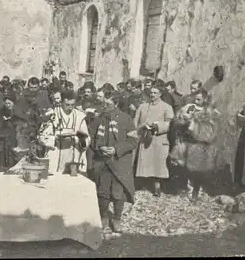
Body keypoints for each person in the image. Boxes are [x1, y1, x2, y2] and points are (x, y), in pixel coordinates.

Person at [86, 89, 138, 232]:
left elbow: (133, 141)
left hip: (119, 162)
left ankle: (117, 219)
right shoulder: (98, 119)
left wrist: (116, 149)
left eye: (108, 104)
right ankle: (103, 216)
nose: (105, 107)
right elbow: (91, 137)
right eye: (104, 104)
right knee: (102, 191)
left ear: (116, 104)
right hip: (102, 162)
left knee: (118, 192)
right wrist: (99, 147)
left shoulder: (126, 119)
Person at [171, 89, 224, 201]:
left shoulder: (209, 109)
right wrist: (185, 119)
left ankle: (197, 190)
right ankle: (188, 189)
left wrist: (205, 119)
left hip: (203, 143)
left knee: (200, 169)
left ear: (204, 99)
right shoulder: (189, 107)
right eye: (195, 98)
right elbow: (178, 119)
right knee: (187, 167)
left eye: (199, 99)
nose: (196, 100)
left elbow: (216, 121)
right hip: (190, 141)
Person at [134, 84, 174, 196]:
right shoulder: (143, 106)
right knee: (143, 162)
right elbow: (135, 120)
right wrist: (137, 130)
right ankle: (141, 184)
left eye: (155, 92)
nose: (152, 94)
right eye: (151, 92)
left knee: (158, 164)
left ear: (160, 94)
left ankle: (157, 187)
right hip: (144, 137)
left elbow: (170, 123)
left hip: (158, 138)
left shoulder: (167, 107)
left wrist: (159, 127)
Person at [39, 90, 89, 174]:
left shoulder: (80, 116)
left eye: (72, 105)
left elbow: (86, 137)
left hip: (73, 153)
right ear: (61, 102)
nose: (70, 108)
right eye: (67, 105)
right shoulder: (52, 114)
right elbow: (42, 137)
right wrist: (55, 139)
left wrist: (78, 138)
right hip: (56, 153)